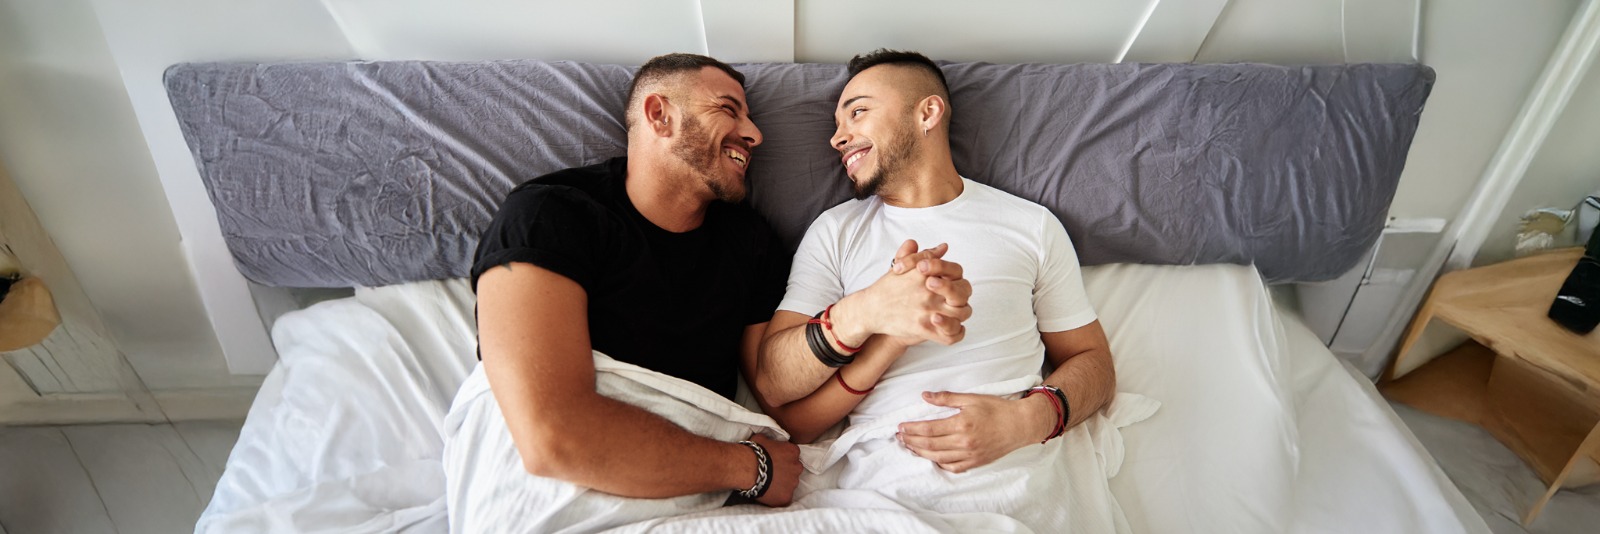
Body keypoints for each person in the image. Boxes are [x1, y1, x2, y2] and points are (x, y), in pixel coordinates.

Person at [750, 49, 1119, 529]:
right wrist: (870, 312)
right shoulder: (835, 232)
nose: (837, 137)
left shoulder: (1031, 225)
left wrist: (1029, 420)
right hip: (884, 492)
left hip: (1019, 481)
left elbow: (1094, 363)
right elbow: (775, 382)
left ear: (927, 112)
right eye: (837, 123)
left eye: (857, 112)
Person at [441, 53, 801, 531]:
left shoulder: (751, 242)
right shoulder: (549, 215)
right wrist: (751, 467)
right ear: (659, 115)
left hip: (694, 497)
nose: (755, 134)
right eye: (728, 109)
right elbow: (551, 437)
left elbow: (780, 397)